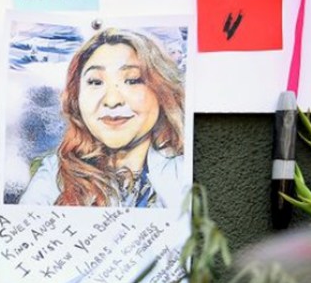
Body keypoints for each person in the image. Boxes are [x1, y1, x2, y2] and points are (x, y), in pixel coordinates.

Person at [19, 27, 186, 208]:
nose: (112, 101)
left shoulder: (182, 170)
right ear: (77, 97)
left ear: (162, 92)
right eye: (95, 82)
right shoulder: (55, 173)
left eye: (132, 80)